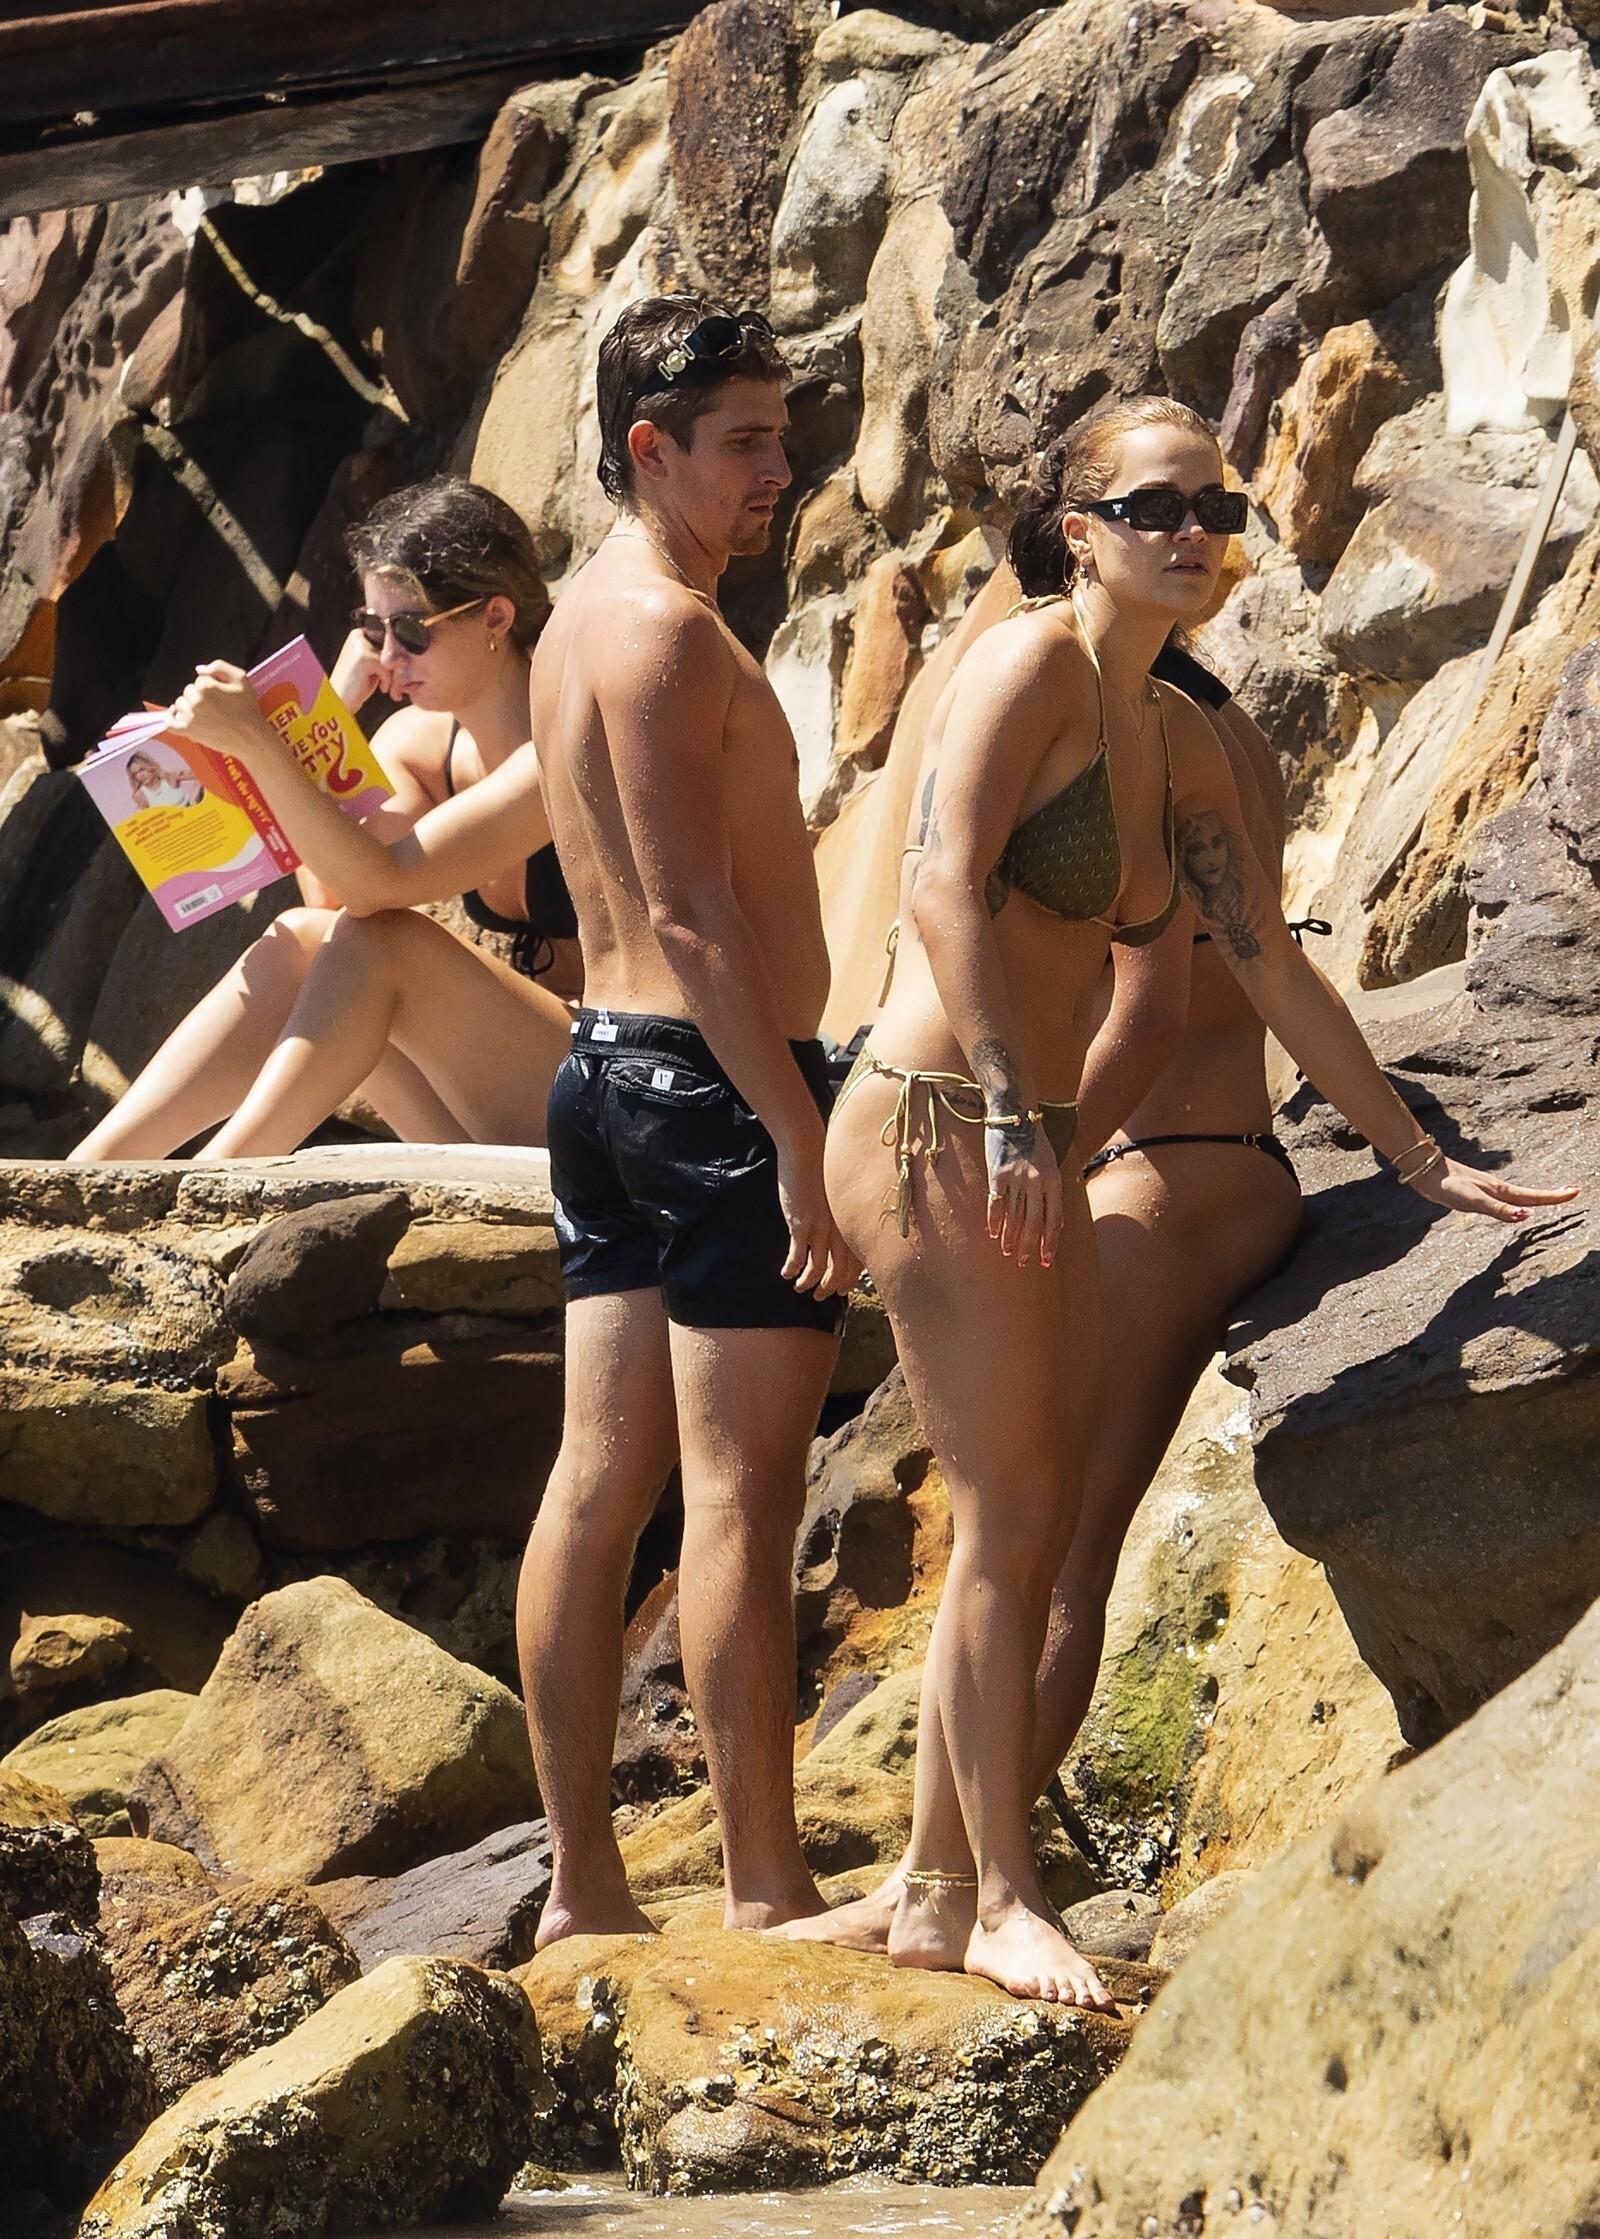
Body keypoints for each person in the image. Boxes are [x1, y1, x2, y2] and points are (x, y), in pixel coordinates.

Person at [780, 396, 1575, 2005]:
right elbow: (940, 884)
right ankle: (999, 1892)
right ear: (1080, 531)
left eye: (1219, 506)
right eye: (1160, 506)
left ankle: (938, 1889)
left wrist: (1417, 1157)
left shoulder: (1179, 735)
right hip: (938, 1113)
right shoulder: (1027, 668)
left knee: (1023, 1519)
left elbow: (1267, 963)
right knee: (1016, 1517)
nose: (1199, 532)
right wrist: (1020, 1105)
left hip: (1026, 1130)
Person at [517, 296, 860, 1946]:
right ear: (648, 448)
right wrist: (798, 1133)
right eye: (745, 442)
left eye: (783, 437)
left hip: (606, 1069)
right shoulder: (660, 629)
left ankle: (583, 1884)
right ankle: (763, 1883)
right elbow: (691, 909)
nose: (778, 471)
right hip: (711, 1083)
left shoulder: (573, 620)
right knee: (739, 1494)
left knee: (599, 1479)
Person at [71, 478, 577, 1162]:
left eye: (411, 631)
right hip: (513, 1092)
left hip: (618, 1091)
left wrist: (261, 745)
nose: (388, 657)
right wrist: (328, 713)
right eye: (373, 629)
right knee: (308, 942)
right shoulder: (417, 745)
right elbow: (335, 899)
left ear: (495, 618)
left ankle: (210, 1186)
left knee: (385, 945)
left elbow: (375, 890)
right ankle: (86, 1172)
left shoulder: (563, 740)